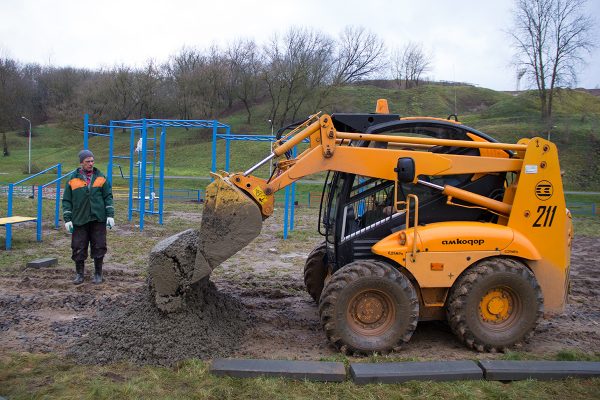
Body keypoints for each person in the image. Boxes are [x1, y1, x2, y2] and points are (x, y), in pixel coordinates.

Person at [62, 149, 114, 285]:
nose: (91, 163)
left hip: (98, 219)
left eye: (92, 161)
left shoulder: (101, 177)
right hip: (79, 219)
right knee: (78, 246)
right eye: (87, 161)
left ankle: (98, 274)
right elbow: (66, 200)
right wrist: (67, 219)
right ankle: (79, 274)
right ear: (81, 163)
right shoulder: (72, 179)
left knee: (99, 245)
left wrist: (110, 216)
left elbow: (108, 197)